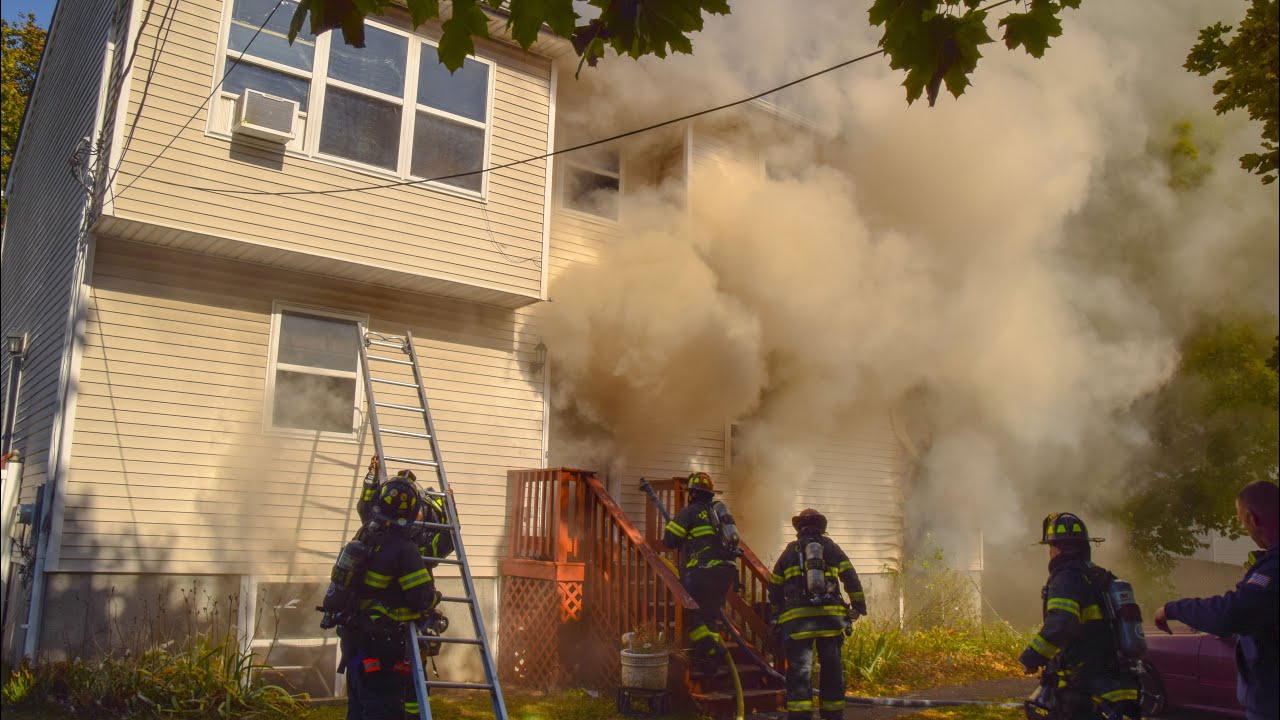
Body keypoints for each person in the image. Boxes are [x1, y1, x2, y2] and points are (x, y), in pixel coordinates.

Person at [1154, 481, 1278, 720]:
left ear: (1253, 519)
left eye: (1243, 524)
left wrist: (1172, 609)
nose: (1247, 532)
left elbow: (1234, 613)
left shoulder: (1273, 568)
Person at [1018, 512, 1141, 720]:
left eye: (1050, 547)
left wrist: (1032, 657)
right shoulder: (1102, 577)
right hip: (1120, 687)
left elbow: (1062, 624)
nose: (1049, 553)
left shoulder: (1067, 578)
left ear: (1057, 548)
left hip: (1086, 691)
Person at [343, 463, 439, 720]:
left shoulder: (366, 533)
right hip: (383, 640)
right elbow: (420, 598)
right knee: (384, 703)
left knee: (359, 701)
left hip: (354, 633)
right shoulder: (404, 548)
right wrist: (434, 599)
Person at [768, 508, 866, 720]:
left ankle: (800, 715)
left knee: (800, 670)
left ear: (799, 529)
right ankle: (832, 714)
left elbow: (774, 585)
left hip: (797, 623)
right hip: (830, 621)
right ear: (822, 528)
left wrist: (776, 613)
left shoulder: (790, 551)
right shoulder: (831, 548)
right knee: (831, 668)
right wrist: (858, 606)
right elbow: (850, 577)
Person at [661, 471, 741, 673]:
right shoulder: (717, 513)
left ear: (692, 494)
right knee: (710, 616)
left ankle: (712, 651)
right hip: (726, 572)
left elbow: (669, 540)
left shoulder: (690, 512)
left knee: (696, 618)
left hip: (703, 573)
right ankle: (711, 660)